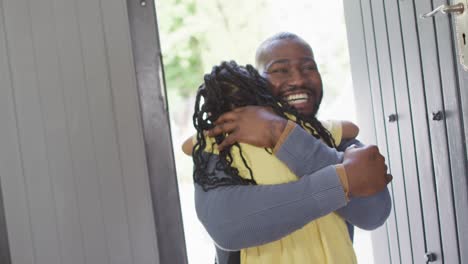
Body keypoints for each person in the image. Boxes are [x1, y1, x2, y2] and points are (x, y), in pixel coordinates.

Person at [195, 32, 392, 264]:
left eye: (309, 68)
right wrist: (342, 181)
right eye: (280, 70)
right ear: (255, 81)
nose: (299, 79)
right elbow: (226, 226)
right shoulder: (226, 144)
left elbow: (373, 213)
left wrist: (279, 132)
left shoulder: (338, 139)